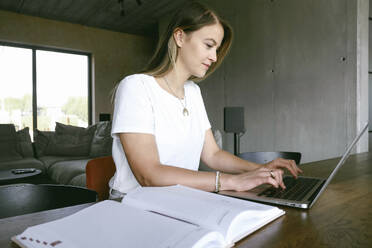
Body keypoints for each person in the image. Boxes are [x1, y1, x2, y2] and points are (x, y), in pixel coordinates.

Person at [109, 1, 302, 199]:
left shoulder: (193, 92)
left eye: (216, 49)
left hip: (181, 199)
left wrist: (261, 169)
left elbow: (213, 155)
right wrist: (230, 181)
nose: (214, 57)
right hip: (133, 202)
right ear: (180, 37)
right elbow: (149, 175)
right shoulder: (136, 87)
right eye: (209, 45)